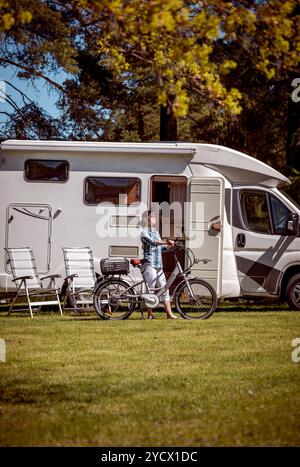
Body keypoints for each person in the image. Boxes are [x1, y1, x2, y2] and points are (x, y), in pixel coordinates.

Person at [141, 210, 179, 320]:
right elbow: (153, 242)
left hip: (159, 265)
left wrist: (172, 246)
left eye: (154, 216)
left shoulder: (156, 231)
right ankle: (149, 315)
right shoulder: (144, 232)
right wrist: (167, 241)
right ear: (146, 219)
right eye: (151, 216)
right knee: (151, 290)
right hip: (150, 264)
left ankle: (169, 314)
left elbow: (160, 248)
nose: (154, 218)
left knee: (165, 289)